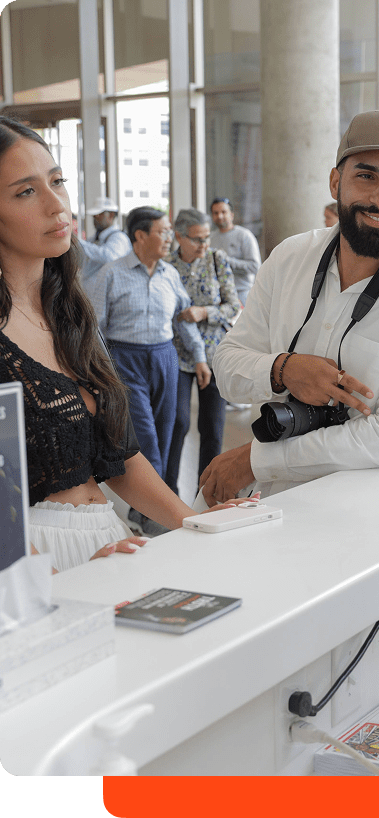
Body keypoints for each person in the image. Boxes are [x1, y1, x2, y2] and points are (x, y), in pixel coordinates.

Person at [0, 117, 243, 571]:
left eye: (58, 182)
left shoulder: (69, 314)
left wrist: (194, 523)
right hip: (31, 562)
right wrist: (49, 584)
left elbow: (121, 457)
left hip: (106, 542)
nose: (58, 206)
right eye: (26, 191)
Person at [201, 110, 379, 504]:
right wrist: (282, 370)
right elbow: (227, 366)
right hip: (267, 505)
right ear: (335, 181)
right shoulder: (289, 259)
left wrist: (258, 459)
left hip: (366, 518)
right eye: (366, 176)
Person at [89, 207, 211, 533]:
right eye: (163, 231)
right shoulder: (111, 274)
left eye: (171, 231)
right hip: (125, 361)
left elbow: (184, 319)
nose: (169, 238)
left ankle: (149, 506)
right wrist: (103, 371)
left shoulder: (170, 275)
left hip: (165, 358)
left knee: (167, 431)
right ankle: (154, 515)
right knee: (145, 439)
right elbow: (94, 328)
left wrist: (199, 357)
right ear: (140, 236)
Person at [164, 208, 242, 500]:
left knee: (212, 427)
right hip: (178, 354)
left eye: (207, 238)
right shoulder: (167, 265)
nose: (204, 244)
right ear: (179, 237)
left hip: (215, 355)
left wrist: (203, 312)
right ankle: (168, 493)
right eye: (197, 239)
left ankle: (206, 492)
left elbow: (233, 306)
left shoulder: (216, 260)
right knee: (179, 423)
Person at [77, 196, 132, 304]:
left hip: (110, 299)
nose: (95, 218)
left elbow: (111, 257)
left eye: (99, 215)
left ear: (111, 215)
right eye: (94, 215)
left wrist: (79, 243)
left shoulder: (119, 238)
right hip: (91, 297)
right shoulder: (94, 239)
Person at [209, 197, 262, 305]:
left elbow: (255, 266)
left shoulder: (244, 235)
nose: (220, 216)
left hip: (242, 294)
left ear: (231, 214)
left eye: (223, 212)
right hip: (217, 296)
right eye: (216, 213)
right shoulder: (210, 238)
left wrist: (225, 261)